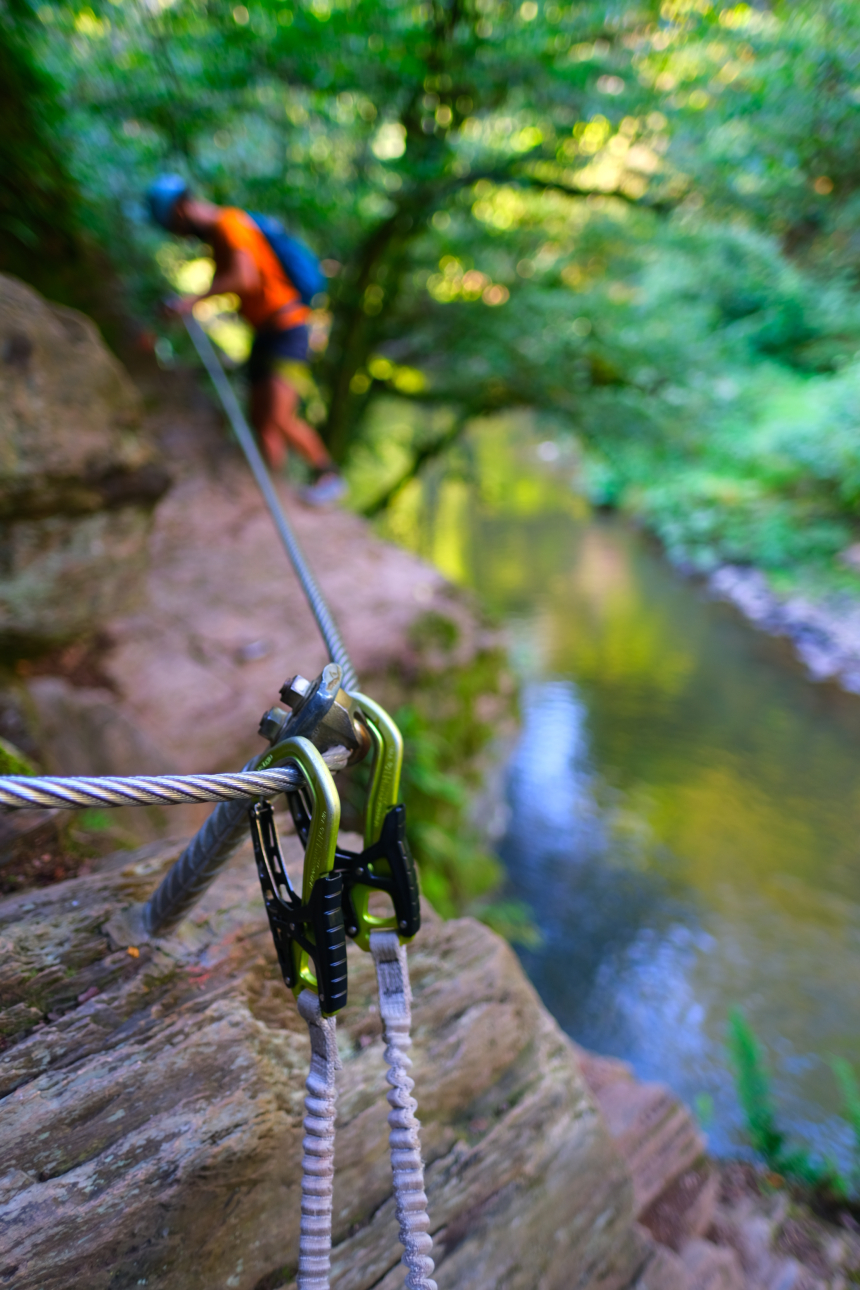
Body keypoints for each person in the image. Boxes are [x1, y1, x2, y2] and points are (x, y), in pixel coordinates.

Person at [146, 174, 345, 507]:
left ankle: (328, 475)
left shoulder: (230, 224)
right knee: (261, 420)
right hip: (264, 332)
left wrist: (191, 301)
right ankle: (273, 494)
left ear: (180, 212)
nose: (178, 235)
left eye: (173, 228)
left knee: (279, 417)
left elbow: (244, 277)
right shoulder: (219, 240)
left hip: (289, 330)